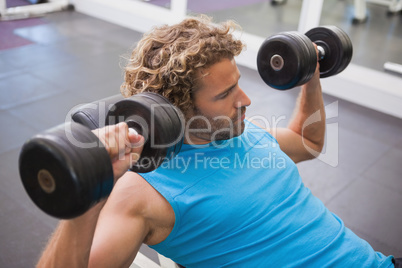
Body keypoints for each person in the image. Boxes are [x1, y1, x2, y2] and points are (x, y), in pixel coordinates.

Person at [37, 16, 397, 267]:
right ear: (179, 109)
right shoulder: (140, 194)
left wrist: (309, 75)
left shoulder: (243, 131)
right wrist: (88, 195)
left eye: (238, 83)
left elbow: (308, 141)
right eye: (225, 93)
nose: (246, 100)